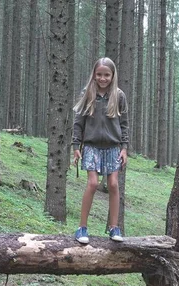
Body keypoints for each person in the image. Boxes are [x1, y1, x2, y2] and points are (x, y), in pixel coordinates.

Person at [71, 57, 129, 244]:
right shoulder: (87, 93)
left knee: (113, 184)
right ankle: (82, 228)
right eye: (99, 74)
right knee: (93, 183)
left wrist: (124, 148)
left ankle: (114, 228)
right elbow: (78, 122)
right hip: (91, 146)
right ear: (94, 75)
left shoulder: (118, 96)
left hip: (113, 147)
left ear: (112, 76)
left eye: (107, 75)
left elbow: (124, 124)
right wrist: (75, 146)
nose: (103, 78)